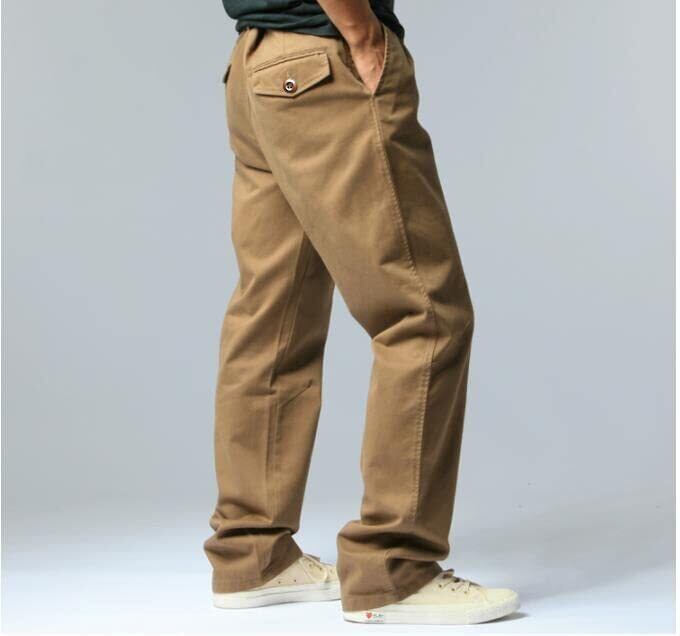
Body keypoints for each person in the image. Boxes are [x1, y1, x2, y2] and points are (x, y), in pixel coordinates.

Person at [204, 0, 519, 625]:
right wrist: (362, 33)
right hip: (324, 59)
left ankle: (253, 555)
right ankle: (393, 570)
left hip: (258, 62)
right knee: (423, 315)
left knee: (272, 318)